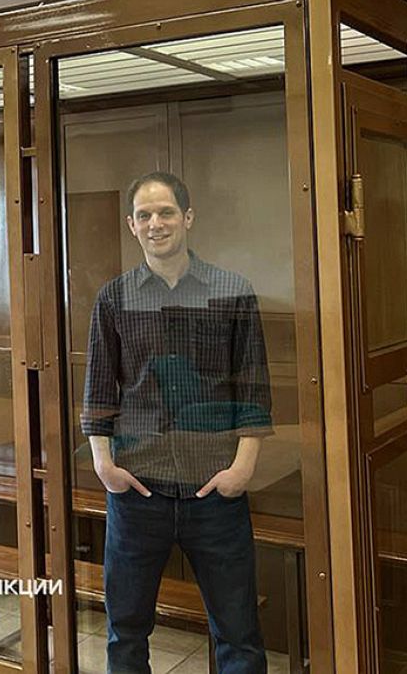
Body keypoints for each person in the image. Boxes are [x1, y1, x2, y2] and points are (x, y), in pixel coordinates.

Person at [82, 171, 272, 673]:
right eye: (144, 215)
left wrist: (241, 471)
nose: (155, 223)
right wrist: (106, 467)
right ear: (131, 225)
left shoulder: (232, 290)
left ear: (188, 217)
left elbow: (252, 390)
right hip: (138, 490)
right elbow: (99, 391)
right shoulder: (113, 297)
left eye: (166, 212)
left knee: (238, 634)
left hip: (215, 490)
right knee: (126, 632)